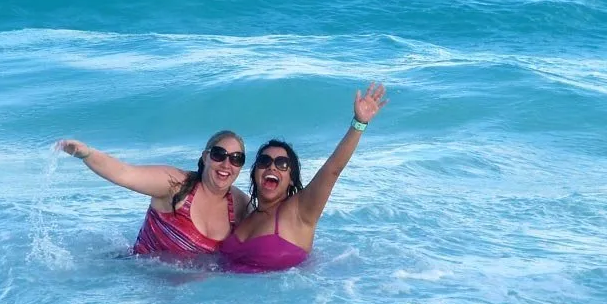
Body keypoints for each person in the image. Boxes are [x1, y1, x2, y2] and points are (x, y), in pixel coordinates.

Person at [220, 83, 387, 272]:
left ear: (291, 178)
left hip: (279, 299)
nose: (272, 167)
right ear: (255, 172)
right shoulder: (246, 214)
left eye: (282, 164)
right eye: (264, 161)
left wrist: (359, 124)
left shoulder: (300, 210)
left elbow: (333, 169)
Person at [59, 130, 250, 256]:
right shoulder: (177, 185)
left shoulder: (240, 205)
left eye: (236, 158)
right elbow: (126, 174)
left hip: (195, 302)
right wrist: (86, 153)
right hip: (140, 282)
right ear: (205, 157)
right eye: (219, 155)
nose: (226, 164)